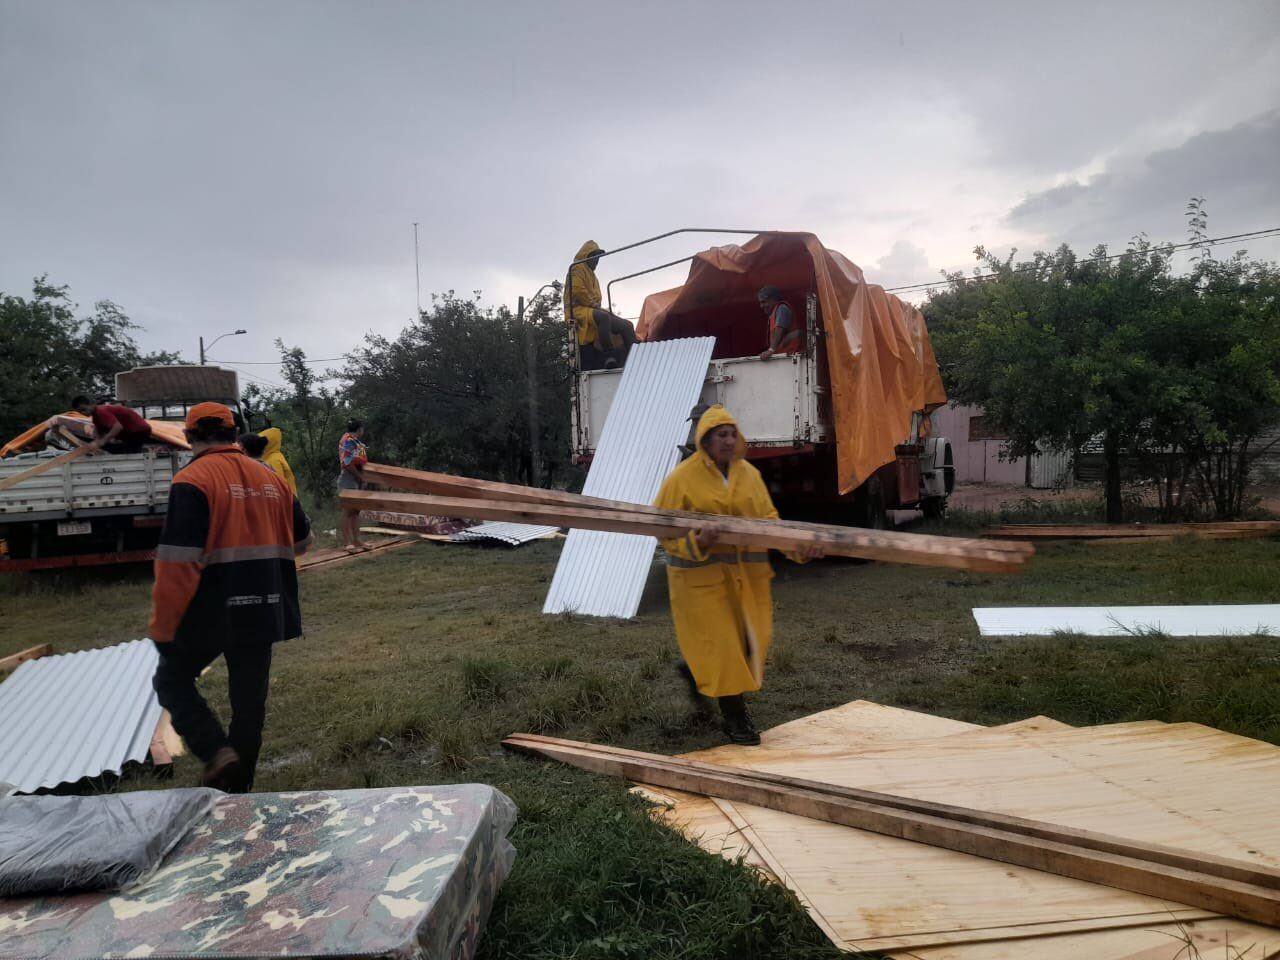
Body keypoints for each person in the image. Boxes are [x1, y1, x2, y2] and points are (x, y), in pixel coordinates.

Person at [150, 402, 312, 792]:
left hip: (212, 608)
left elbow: (178, 562)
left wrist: (164, 625)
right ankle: (238, 792)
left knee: (171, 680)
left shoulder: (192, 480)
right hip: (266, 605)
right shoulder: (270, 477)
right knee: (249, 706)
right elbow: (303, 542)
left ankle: (215, 751)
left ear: (188, 436)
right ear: (235, 433)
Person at [654, 405, 821, 745]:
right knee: (725, 648)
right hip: (701, 585)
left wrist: (798, 549)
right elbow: (663, 531)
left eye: (732, 434)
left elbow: (769, 523)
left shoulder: (749, 476)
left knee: (747, 644)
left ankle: (694, 671)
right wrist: (697, 542)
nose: (729, 441)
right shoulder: (681, 479)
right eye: (721, 435)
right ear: (706, 439)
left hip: (747, 582)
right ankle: (735, 720)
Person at [565, 240, 637, 369]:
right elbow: (578, 291)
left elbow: (596, 298)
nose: (597, 261)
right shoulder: (577, 268)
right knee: (603, 317)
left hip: (591, 309)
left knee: (627, 325)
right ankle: (609, 356)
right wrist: (595, 306)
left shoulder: (592, 275)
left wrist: (599, 307)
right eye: (595, 257)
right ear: (587, 256)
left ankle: (634, 361)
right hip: (577, 310)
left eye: (598, 258)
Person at [72, 395, 153, 454]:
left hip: (139, 431)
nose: (83, 413)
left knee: (127, 452)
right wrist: (94, 443)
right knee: (118, 448)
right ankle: (142, 450)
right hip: (132, 433)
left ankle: (143, 452)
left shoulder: (101, 411)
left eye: (84, 409)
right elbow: (99, 433)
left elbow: (117, 427)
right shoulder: (96, 417)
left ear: (92, 404)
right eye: (80, 412)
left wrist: (103, 441)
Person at [338, 419, 369, 553]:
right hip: (348, 478)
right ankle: (347, 543)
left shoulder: (355, 441)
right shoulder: (348, 440)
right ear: (360, 429)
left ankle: (357, 539)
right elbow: (347, 463)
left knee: (356, 511)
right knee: (348, 511)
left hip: (356, 479)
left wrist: (363, 477)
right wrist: (360, 476)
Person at [756, 286, 803, 360]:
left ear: (773, 299)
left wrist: (770, 350)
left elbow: (779, 330)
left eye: (764, 302)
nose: (761, 306)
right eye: (760, 303)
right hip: (785, 357)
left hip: (792, 357)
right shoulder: (774, 312)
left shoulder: (782, 309)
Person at [258, 426, 298, 496]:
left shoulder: (273, 461)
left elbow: (276, 486)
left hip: (286, 500)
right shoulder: (274, 455)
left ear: (269, 443)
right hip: (289, 498)